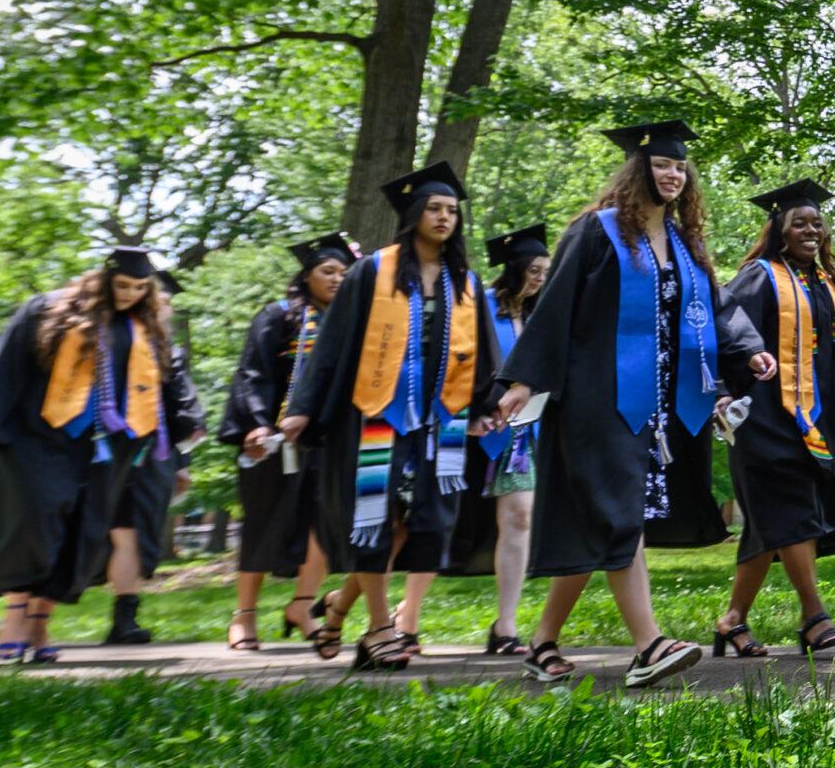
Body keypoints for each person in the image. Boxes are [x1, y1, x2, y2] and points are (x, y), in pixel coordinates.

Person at [491, 122, 776, 690]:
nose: (672, 175)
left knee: (602, 519)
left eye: (680, 168)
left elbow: (711, 309)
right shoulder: (595, 233)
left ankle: (542, 642)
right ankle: (648, 645)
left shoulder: (682, 243)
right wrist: (522, 378)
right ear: (637, 171)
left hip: (656, 403)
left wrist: (749, 348)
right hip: (595, 397)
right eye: (662, 166)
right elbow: (555, 306)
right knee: (621, 514)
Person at [279, 164, 497, 672]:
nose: (444, 217)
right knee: (373, 522)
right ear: (413, 215)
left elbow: (482, 352)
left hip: (439, 420)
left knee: (416, 528)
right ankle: (379, 627)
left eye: (451, 211)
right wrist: (303, 409)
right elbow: (331, 346)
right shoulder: (372, 271)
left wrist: (484, 408)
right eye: (434, 209)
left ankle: (337, 607)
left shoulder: (464, 280)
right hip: (375, 414)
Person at [0, 245, 188, 665]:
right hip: (39, 437)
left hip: (109, 446)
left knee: (80, 531)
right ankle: (13, 618)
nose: (129, 294)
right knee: (35, 522)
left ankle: (40, 621)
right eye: (122, 285)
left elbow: (164, 391)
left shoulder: (145, 326)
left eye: (140, 288)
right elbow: (4, 366)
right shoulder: (48, 310)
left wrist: (176, 450)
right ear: (103, 280)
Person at [714, 179, 835, 658]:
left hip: (812, 421)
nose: (811, 230)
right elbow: (723, 332)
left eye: (817, 223)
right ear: (780, 229)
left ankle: (731, 621)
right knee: (791, 512)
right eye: (800, 222)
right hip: (761, 420)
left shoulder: (827, 286)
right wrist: (721, 393)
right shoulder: (759, 277)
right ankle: (813, 616)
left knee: (768, 527)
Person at [215, 234, 352, 651]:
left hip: (327, 440)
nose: (336, 279)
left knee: (324, 527)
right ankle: (244, 616)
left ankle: (302, 605)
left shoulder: (348, 323)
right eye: (328, 271)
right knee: (263, 521)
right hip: (275, 438)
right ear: (306, 275)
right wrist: (255, 425)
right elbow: (252, 373)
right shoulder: (277, 316)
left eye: (344, 273)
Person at [97, 265, 205, 644]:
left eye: (165, 300)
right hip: (106, 449)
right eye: (159, 298)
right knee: (118, 533)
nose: (164, 306)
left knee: (131, 534)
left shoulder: (165, 349)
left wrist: (182, 463)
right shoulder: (104, 336)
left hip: (151, 454)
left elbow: (178, 410)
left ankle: (124, 618)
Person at [466, 224, 549, 656]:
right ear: (515, 268)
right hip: (471, 430)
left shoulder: (540, 319)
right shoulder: (480, 309)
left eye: (545, 272)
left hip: (521, 440)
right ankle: (356, 607)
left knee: (519, 518)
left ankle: (506, 625)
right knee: (421, 529)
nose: (540, 279)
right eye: (534, 270)